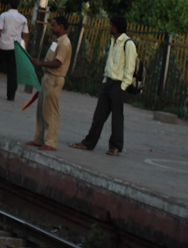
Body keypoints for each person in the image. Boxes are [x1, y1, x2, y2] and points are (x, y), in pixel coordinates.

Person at [71, 15, 137, 156]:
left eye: (111, 25)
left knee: (117, 117)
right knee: (99, 115)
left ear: (115, 27)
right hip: (108, 82)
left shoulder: (128, 43)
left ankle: (115, 146)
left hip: (119, 84)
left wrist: (123, 86)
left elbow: (130, 67)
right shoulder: (113, 42)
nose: (109, 27)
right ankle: (89, 142)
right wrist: (105, 81)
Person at [28, 16, 72, 151]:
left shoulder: (65, 43)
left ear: (61, 27)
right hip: (47, 78)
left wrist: (40, 63)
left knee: (50, 111)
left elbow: (58, 63)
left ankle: (51, 142)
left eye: (54, 25)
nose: (51, 28)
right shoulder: (57, 41)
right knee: (42, 109)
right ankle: (39, 139)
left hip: (54, 79)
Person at [0, 0, 29, 101]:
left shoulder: (4, 16)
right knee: (12, 71)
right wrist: (25, 50)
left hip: (2, 45)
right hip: (15, 47)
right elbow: (25, 36)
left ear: (9, 5)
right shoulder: (23, 18)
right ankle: (11, 95)